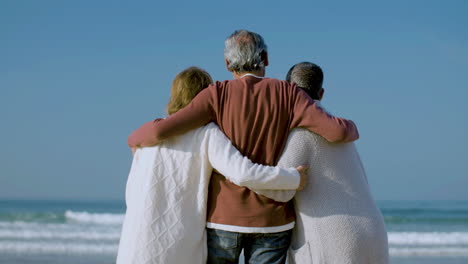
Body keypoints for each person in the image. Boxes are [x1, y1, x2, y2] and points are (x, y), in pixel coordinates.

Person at [128, 30, 359, 264]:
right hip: (273, 220)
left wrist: (133, 139)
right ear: (266, 59)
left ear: (228, 63)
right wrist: (353, 126)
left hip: (223, 219)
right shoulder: (290, 94)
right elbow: (337, 132)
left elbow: (161, 130)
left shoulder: (215, 94)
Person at [117, 67, 309, 264]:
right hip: (177, 243)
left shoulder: (148, 138)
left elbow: (131, 192)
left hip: (136, 240)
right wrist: (292, 178)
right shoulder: (205, 133)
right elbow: (243, 173)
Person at [255, 62, 389, 263]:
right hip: (373, 231)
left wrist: (242, 173)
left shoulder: (301, 134)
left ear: (289, 91)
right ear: (322, 93)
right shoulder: (341, 132)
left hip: (337, 237)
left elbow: (278, 190)